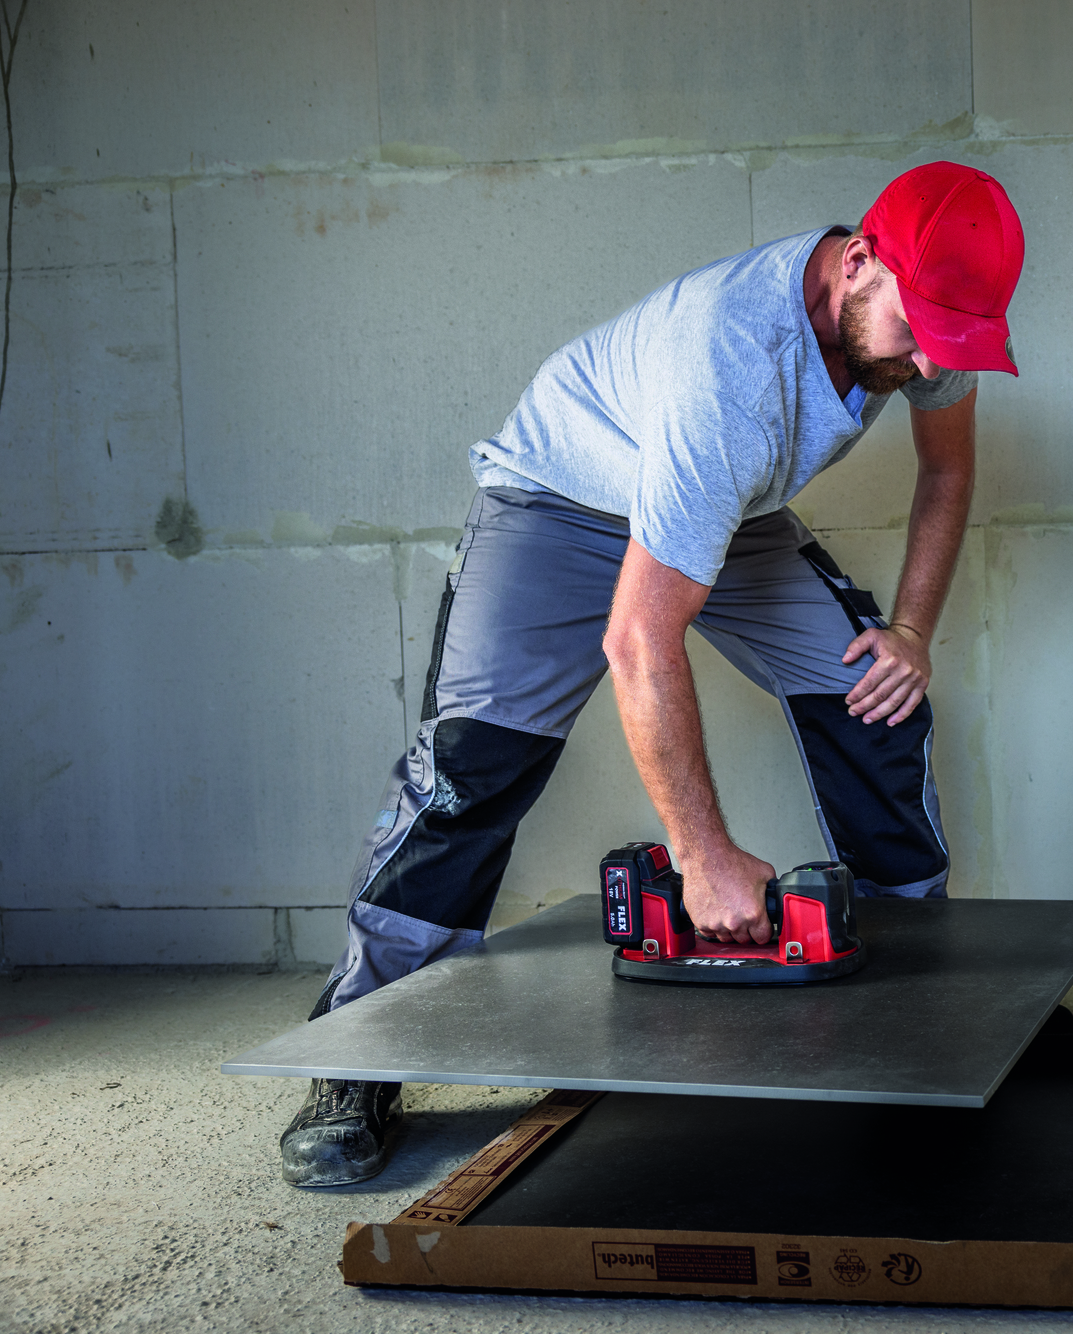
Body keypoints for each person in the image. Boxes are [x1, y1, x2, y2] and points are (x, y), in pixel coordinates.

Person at [279, 162, 1026, 1186]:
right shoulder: (728, 365)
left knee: (874, 694)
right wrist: (701, 854)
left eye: (952, 338)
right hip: (559, 502)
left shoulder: (928, 312)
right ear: (857, 262)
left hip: (717, 508)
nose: (931, 359)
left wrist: (909, 629)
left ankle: (924, 997)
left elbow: (947, 468)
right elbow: (638, 638)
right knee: (471, 764)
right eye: (920, 330)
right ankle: (356, 1046)